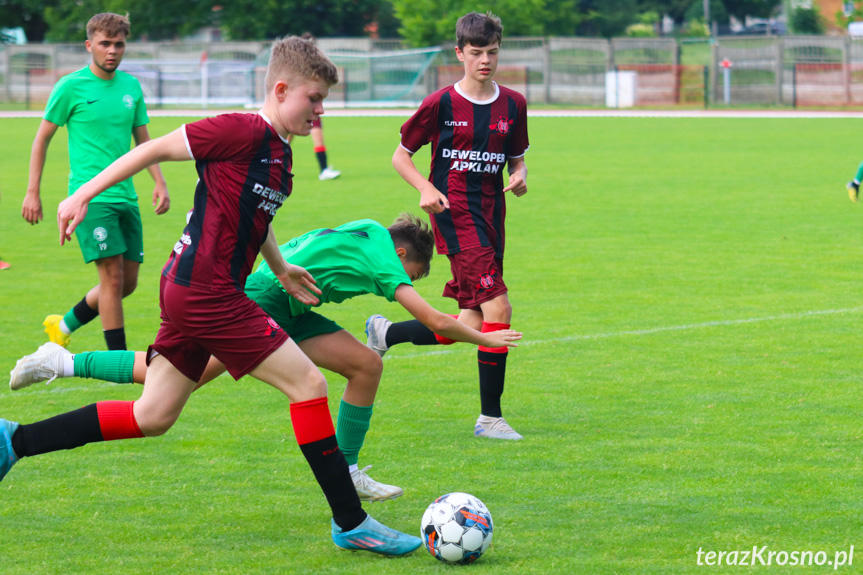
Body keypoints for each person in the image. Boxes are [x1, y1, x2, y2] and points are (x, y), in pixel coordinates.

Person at [0, 35, 420, 557]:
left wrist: (282, 268)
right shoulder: (240, 129)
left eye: (323, 102)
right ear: (282, 88)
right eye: (314, 99)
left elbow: (254, 220)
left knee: (152, 416)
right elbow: (153, 148)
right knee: (308, 384)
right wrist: (81, 194)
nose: (319, 110)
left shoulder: (280, 154)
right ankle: (351, 521)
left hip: (193, 289)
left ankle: (12, 442)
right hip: (206, 292)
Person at [9, 215, 522, 502]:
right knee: (173, 380)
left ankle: (347, 472)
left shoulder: (370, 228)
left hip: (293, 304)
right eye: (418, 269)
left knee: (366, 364)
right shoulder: (389, 263)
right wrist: (489, 340)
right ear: (406, 256)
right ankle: (62, 361)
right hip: (263, 298)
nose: (411, 276)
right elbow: (434, 320)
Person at [375, 11, 529, 441]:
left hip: (492, 218)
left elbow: (516, 156)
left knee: (470, 323)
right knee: (500, 307)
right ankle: (490, 418)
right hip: (454, 216)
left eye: (492, 52)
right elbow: (400, 155)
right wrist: (425, 187)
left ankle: (385, 333)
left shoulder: (513, 104)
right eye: (476, 53)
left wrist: (519, 174)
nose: (485, 60)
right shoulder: (442, 103)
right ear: (459, 53)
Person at [22, 13, 170, 351]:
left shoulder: (131, 86)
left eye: (119, 44)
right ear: (90, 45)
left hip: (126, 197)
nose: (112, 51)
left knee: (126, 284)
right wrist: (33, 192)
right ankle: (117, 360)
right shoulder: (70, 87)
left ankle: (62, 326)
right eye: (105, 43)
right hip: (90, 198)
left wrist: (159, 181)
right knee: (112, 279)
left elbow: (144, 142)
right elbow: (41, 139)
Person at [286, 33, 340, 181]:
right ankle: (273, 167)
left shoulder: (313, 63)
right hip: (303, 107)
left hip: (308, 106)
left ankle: (324, 170)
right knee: (285, 139)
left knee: (291, 139)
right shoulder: (298, 64)